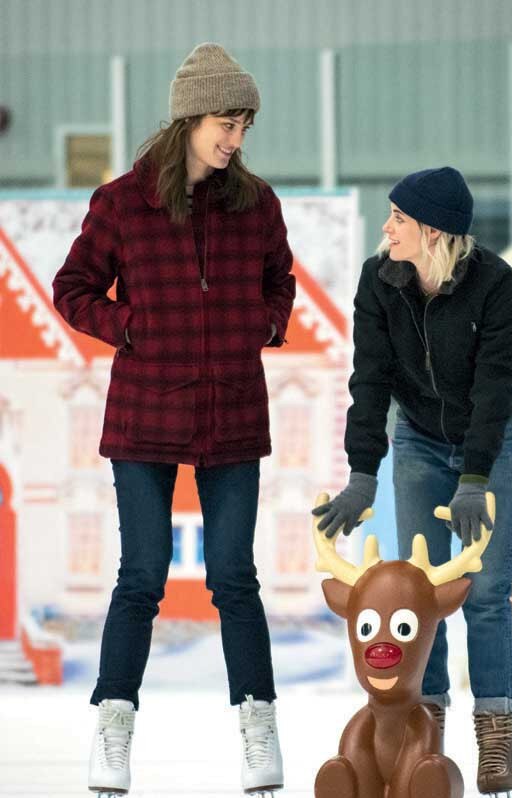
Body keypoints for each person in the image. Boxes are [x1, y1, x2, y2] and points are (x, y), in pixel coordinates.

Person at [52, 42, 295, 797]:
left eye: (244, 125)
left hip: (232, 414)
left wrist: (257, 323)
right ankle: (113, 728)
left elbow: (279, 283)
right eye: (227, 122)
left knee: (233, 576)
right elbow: (73, 287)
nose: (236, 139)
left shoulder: (256, 203)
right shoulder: (123, 202)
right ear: (191, 117)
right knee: (141, 576)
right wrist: (130, 328)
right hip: (145, 415)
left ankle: (258, 725)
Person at [312, 166, 512, 796]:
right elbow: (370, 380)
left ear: (433, 231)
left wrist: (475, 477)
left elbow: (495, 391)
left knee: (486, 590)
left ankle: (494, 733)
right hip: (416, 438)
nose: (386, 228)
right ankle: (422, 730)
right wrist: (361, 474)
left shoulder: (494, 283)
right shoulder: (379, 280)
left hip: (497, 440)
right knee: (417, 586)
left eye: (399, 218)